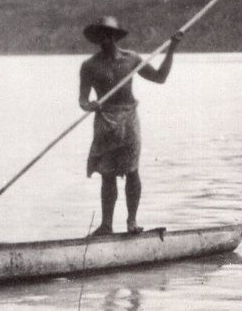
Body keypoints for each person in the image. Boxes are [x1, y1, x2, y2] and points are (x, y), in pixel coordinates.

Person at [78, 16, 181, 235]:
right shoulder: (89, 66)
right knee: (107, 175)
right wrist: (90, 105)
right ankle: (106, 225)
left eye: (108, 35)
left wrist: (172, 48)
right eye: (100, 36)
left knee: (132, 171)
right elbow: (83, 100)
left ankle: (132, 222)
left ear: (115, 36)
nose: (104, 40)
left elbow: (160, 77)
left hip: (129, 120)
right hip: (105, 121)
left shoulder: (131, 59)